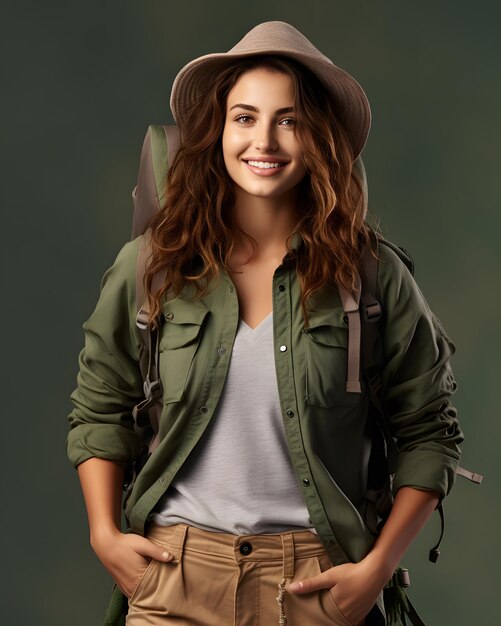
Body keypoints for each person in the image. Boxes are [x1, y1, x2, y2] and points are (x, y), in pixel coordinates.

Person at [67, 21, 463, 626]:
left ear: (319, 138)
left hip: (316, 588)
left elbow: (429, 430)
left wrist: (377, 569)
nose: (265, 141)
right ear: (218, 131)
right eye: (245, 117)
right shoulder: (152, 267)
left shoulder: (373, 275)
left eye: (289, 120)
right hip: (174, 582)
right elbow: (100, 406)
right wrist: (104, 534)